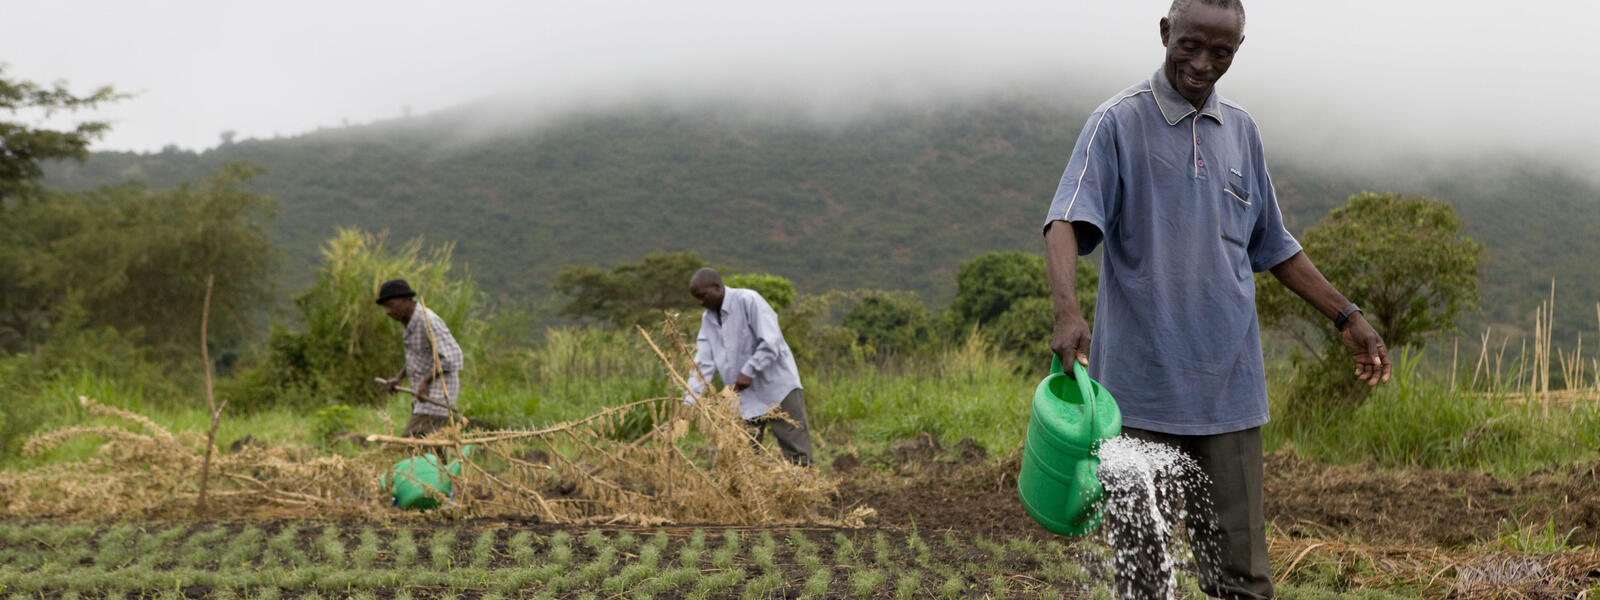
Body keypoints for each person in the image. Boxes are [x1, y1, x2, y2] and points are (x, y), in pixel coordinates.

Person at [1041, 1, 1391, 598]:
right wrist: (1068, 311)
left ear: (1237, 51)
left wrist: (1347, 316)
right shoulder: (1117, 122)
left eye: (1220, 52)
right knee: (1143, 575)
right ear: (1164, 33)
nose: (1202, 64)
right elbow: (1066, 220)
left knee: (1243, 576)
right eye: (1189, 45)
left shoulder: (1244, 133)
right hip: (1137, 395)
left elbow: (1274, 245)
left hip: (1229, 391)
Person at [684, 268, 812, 466]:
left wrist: (749, 370)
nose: (700, 302)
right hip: (743, 397)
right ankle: (747, 498)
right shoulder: (707, 320)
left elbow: (771, 342)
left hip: (778, 389)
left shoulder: (748, 300)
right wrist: (690, 401)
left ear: (717, 288)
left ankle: (807, 496)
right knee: (742, 458)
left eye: (702, 296)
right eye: (697, 298)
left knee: (797, 453)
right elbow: (703, 363)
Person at [376, 279, 465, 440]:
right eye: (385, 307)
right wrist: (399, 377)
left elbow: (453, 358)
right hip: (423, 397)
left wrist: (425, 380)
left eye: (391, 305)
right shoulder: (408, 321)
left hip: (437, 395)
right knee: (431, 447)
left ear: (406, 301)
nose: (387, 311)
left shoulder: (427, 321)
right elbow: (417, 355)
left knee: (411, 442)